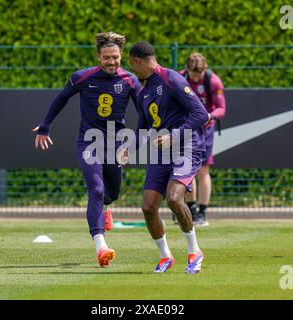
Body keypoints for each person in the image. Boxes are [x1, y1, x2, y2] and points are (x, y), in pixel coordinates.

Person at [33, 32, 141, 267]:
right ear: (98, 57)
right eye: (106, 58)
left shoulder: (131, 81)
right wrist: (45, 126)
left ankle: (107, 208)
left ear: (121, 55)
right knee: (96, 189)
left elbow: (144, 115)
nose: (111, 62)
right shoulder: (82, 77)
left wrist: (131, 146)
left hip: (115, 144)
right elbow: (61, 98)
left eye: (115, 57)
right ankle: (101, 246)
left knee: (111, 193)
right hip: (88, 143)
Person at [122, 41, 209, 273]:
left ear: (137, 61)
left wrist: (174, 135)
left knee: (173, 199)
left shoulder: (172, 79)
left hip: (186, 149)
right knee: (148, 206)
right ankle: (165, 256)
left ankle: (194, 251)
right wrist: (130, 147)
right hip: (161, 153)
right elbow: (143, 129)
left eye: (131, 65)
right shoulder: (143, 94)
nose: (132, 70)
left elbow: (201, 114)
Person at [180, 53, 226, 227]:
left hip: (205, 131)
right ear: (187, 69)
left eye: (199, 73)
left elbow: (221, 109)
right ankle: (189, 210)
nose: (196, 77)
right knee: (187, 169)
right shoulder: (180, 77)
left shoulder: (213, 81)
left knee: (203, 171)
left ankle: (202, 212)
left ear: (205, 69)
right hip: (186, 129)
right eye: (193, 74)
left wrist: (209, 116)